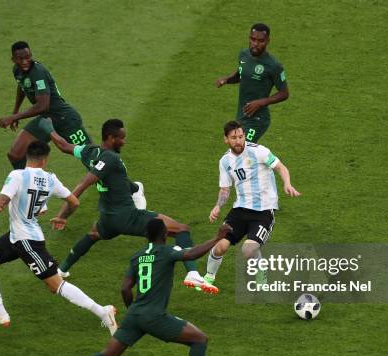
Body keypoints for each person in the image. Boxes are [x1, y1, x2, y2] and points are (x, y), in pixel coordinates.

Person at [49, 219, 232, 356]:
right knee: (200, 339)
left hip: (134, 315)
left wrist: (133, 312)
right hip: (154, 316)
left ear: (146, 236)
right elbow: (191, 253)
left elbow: (125, 289)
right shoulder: (167, 251)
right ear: (165, 235)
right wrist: (217, 237)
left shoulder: (137, 256)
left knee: (106, 355)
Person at [39, 118, 216, 294]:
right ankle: (192, 273)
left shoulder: (89, 152)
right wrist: (63, 214)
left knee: (93, 234)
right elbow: (84, 184)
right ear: (110, 137)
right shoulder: (110, 158)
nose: (124, 142)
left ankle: (61, 270)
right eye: (121, 138)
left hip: (108, 218)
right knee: (181, 229)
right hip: (128, 216)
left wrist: (47, 126)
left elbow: (63, 145)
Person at [0, 141, 117, 334]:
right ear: (45, 160)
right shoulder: (50, 179)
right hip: (16, 237)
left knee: (55, 285)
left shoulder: (17, 175)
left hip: (27, 242)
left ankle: (103, 312)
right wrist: (62, 217)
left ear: (27, 155)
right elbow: (74, 202)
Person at [205, 120, 301, 286]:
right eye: (234, 137)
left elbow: (281, 168)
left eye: (241, 136)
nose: (238, 140)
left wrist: (287, 183)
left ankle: (261, 272)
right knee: (220, 246)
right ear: (226, 139)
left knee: (248, 250)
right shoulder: (225, 161)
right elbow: (225, 189)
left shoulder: (259, 151)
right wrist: (217, 206)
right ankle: (208, 277)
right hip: (239, 210)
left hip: (263, 212)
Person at [0, 41, 91, 169]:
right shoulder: (17, 71)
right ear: (13, 59)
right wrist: (15, 111)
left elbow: (43, 106)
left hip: (64, 119)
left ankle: (120, 183)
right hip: (46, 120)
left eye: (28, 57)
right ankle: (29, 185)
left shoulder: (38, 73)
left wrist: (14, 117)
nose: (25, 61)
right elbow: (22, 86)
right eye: (21, 59)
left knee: (91, 156)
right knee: (15, 155)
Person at [215, 23, 289, 143]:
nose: (255, 43)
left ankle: (273, 162)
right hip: (242, 114)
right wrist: (227, 79)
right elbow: (241, 74)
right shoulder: (243, 55)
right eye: (253, 39)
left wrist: (260, 102)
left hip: (258, 119)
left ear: (267, 41)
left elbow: (284, 93)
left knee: (242, 147)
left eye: (260, 41)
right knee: (239, 151)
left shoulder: (274, 66)